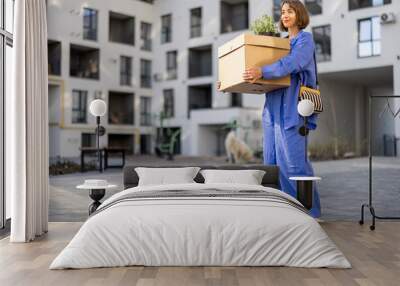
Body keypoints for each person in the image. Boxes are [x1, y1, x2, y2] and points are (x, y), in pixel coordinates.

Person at [219, 0, 321, 217]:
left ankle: (308, 213)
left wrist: (262, 71)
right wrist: (229, 81)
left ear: (299, 14)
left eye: (290, 11)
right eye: (282, 12)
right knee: (271, 164)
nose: (285, 15)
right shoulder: (278, 43)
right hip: (272, 111)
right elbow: (258, 77)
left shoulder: (305, 40)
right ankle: (280, 212)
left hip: (294, 109)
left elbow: (293, 63)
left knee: (294, 164)